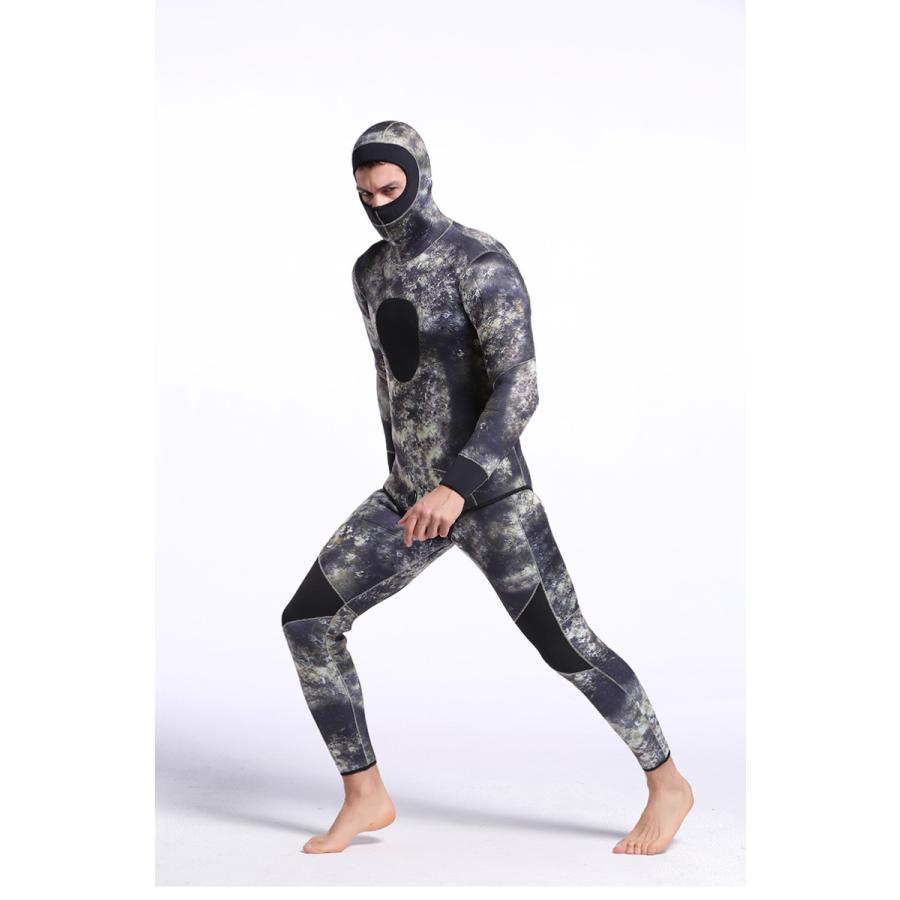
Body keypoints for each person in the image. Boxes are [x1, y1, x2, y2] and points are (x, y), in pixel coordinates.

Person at [281, 120, 694, 855]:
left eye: (390, 188)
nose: (379, 204)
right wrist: (413, 481)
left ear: (421, 177)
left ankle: (668, 783)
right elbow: (393, 383)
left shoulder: (478, 260)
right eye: (365, 193)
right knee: (309, 621)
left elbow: (519, 386)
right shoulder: (369, 272)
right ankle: (366, 794)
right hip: (408, 496)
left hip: (491, 496)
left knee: (566, 647)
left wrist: (459, 485)